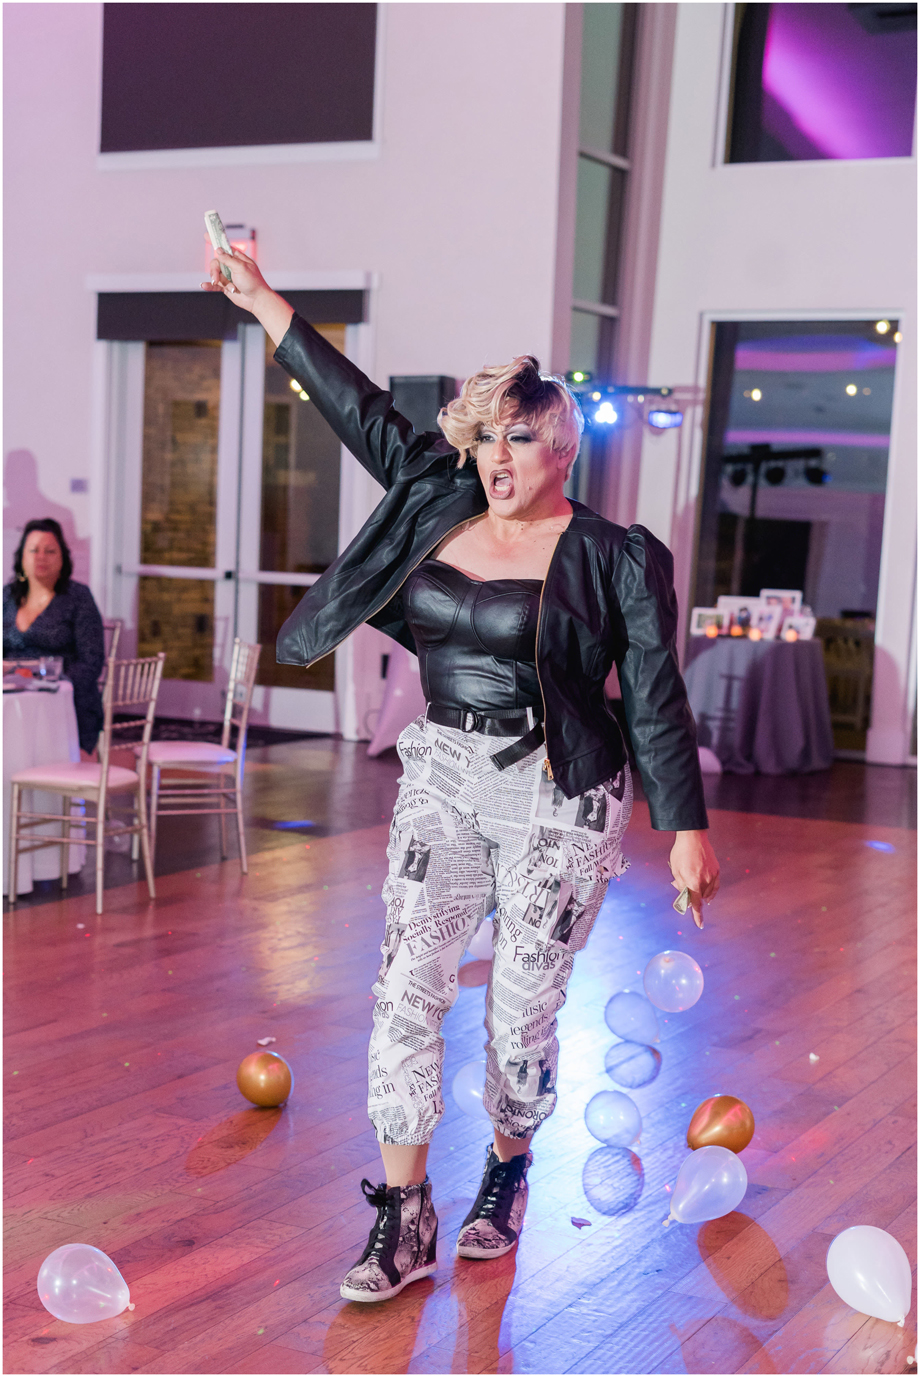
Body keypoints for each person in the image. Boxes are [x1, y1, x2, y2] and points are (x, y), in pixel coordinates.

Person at [202, 246, 720, 1303]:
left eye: (517, 438)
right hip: (441, 767)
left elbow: (653, 694)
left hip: (559, 790)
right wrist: (263, 302)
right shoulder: (437, 498)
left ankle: (507, 1168)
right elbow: (357, 408)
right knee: (405, 989)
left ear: (562, 449)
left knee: (519, 1014)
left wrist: (687, 829)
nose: (495, 457)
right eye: (485, 437)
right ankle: (404, 1217)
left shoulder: (615, 555)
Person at [3, 519, 105, 757]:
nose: (41, 557)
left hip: (62, 695)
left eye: (50, 551)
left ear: (63, 558)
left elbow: (92, 660)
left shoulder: (78, 597)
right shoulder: (7, 596)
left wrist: (50, 680)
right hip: (10, 693)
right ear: (22, 557)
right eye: (34, 550)